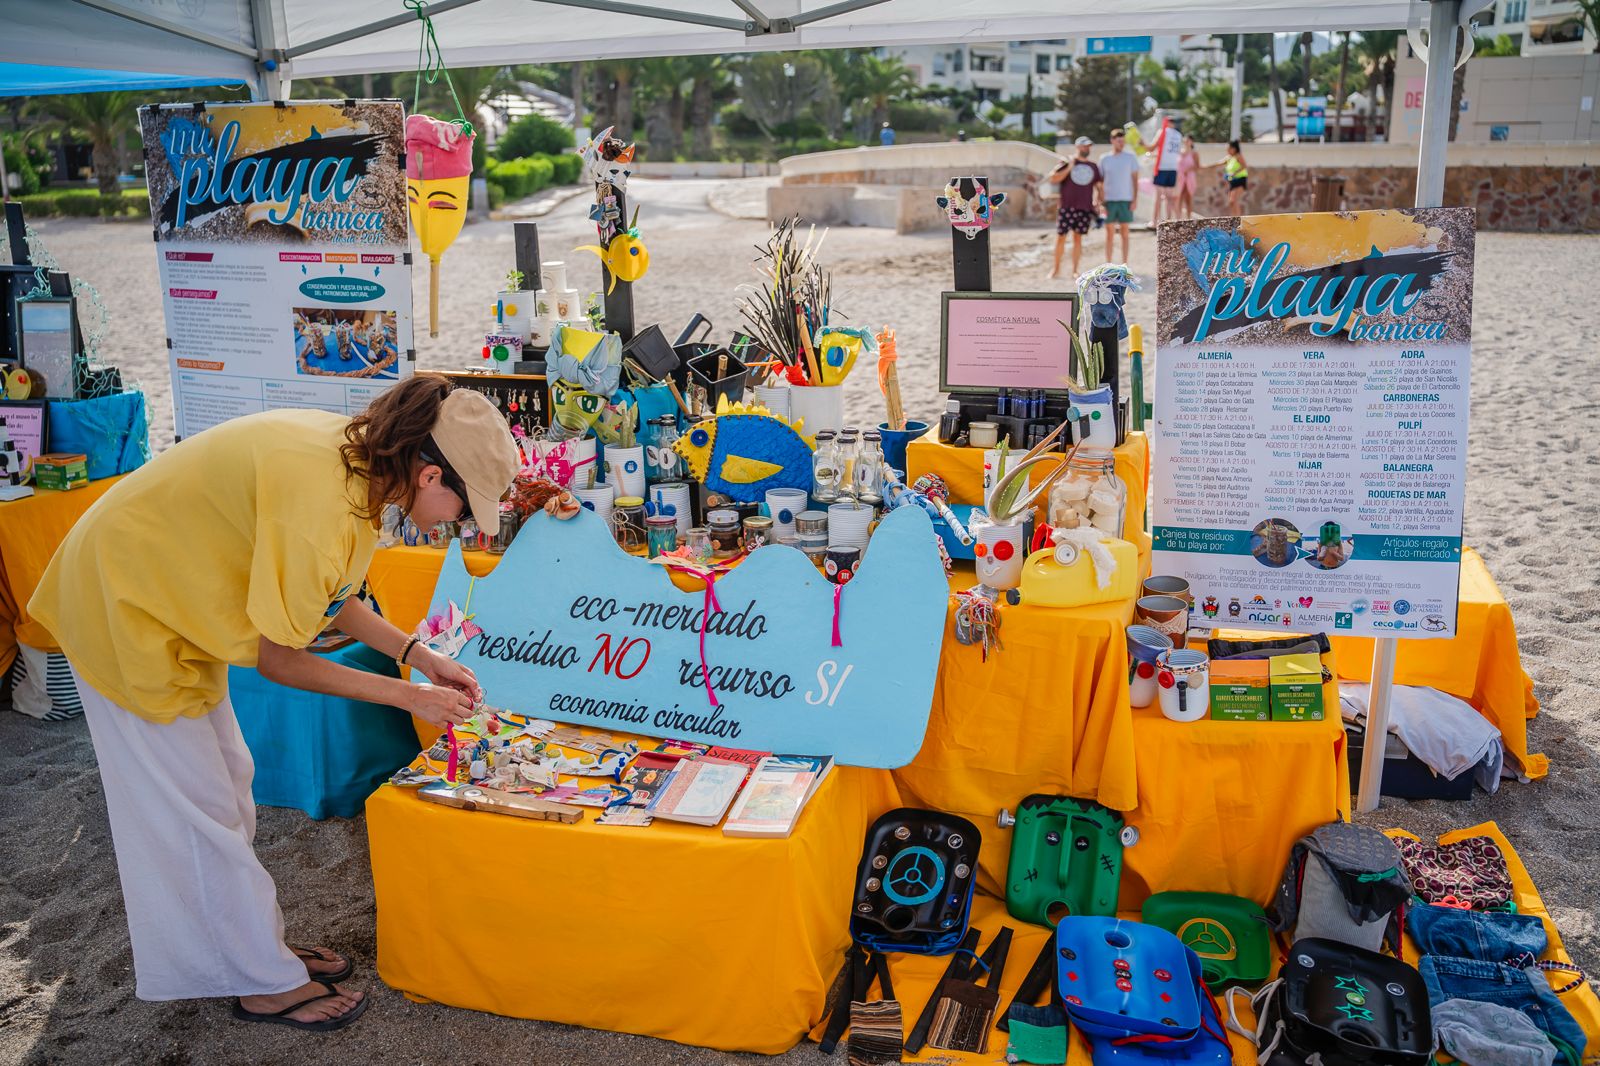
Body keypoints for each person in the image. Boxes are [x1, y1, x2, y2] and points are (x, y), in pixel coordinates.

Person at [29, 377, 522, 1032]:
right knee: (196, 809)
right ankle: (260, 980)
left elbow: (330, 595)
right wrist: (411, 695)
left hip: (163, 602)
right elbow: (281, 661)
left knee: (229, 782)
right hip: (121, 604)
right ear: (430, 475)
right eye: (462, 507)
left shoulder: (356, 468)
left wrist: (418, 654)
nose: (456, 522)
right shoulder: (322, 504)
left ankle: (250, 949)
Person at [1041, 136, 1102, 280]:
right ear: (1077, 147)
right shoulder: (1066, 161)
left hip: (1085, 207)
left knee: (1078, 239)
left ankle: (1075, 270)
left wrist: (1098, 202)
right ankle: (1055, 269)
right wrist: (1070, 167)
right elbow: (1053, 178)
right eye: (1084, 146)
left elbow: (1099, 187)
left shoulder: (1093, 166)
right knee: (1060, 238)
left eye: (1088, 146)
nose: (1086, 148)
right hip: (1066, 206)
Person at [1098, 127, 1140, 264]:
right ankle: (1108, 264)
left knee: (1125, 233)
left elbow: (1135, 180)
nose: (1121, 144)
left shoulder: (1130, 158)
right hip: (1109, 201)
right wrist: (1100, 202)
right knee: (1109, 234)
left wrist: (1135, 200)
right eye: (1119, 141)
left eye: (1123, 141)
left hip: (1125, 200)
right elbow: (1100, 183)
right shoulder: (1104, 159)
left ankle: (1124, 264)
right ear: (1112, 140)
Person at [1144, 117, 1181, 227]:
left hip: (1162, 168)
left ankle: (1154, 221)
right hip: (1173, 168)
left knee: (1158, 196)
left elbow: (1151, 148)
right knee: (1169, 197)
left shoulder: (1163, 132)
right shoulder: (1178, 135)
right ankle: (1168, 221)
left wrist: (1142, 143)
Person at [1206, 140, 1249, 216]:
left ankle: (1238, 218)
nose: (1227, 150)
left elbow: (1244, 166)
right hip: (1232, 181)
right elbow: (1218, 163)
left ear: (1234, 149)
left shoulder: (1238, 156)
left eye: (1229, 149)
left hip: (1240, 180)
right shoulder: (1229, 158)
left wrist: (1234, 173)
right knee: (1231, 202)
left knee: (1234, 200)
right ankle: (1234, 217)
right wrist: (1207, 166)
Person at [1176, 135, 1200, 220]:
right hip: (1180, 178)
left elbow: (1197, 166)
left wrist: (1188, 169)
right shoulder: (1179, 152)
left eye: (1188, 140)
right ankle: (1178, 218)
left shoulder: (1194, 153)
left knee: (1188, 198)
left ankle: (1188, 218)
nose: (1186, 141)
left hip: (1189, 178)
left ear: (1192, 142)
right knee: (1178, 198)